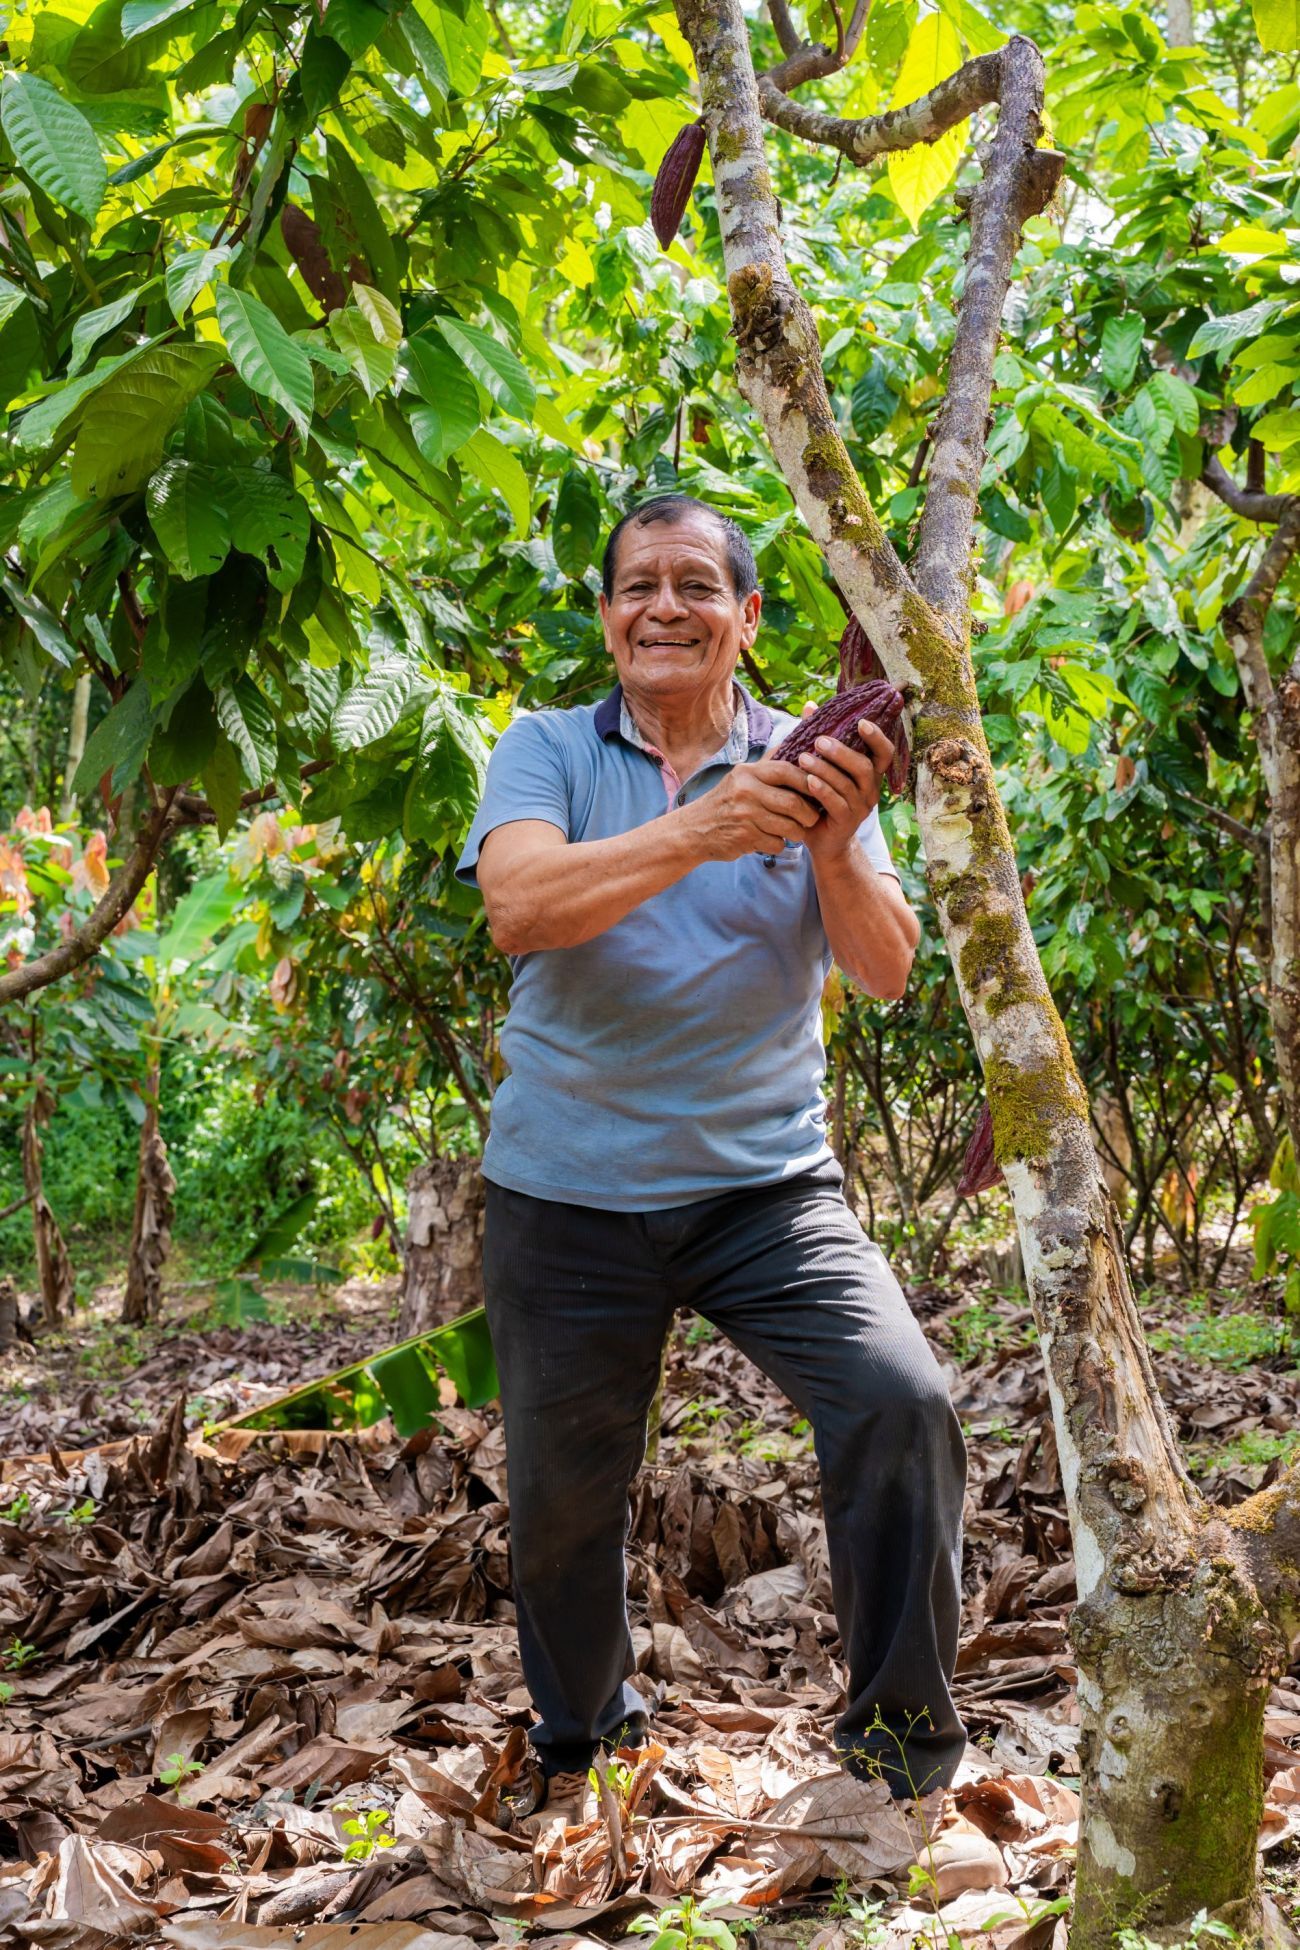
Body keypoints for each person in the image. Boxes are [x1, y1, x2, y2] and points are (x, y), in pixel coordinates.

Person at [455, 493, 966, 1824]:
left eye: (696, 584)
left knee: (900, 1400)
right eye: (638, 585)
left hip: (765, 1190)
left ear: (747, 620)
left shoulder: (812, 763)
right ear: (609, 617)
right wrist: (709, 827)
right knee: (563, 1498)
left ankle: (900, 1754)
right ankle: (584, 1737)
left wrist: (835, 842)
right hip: (564, 1193)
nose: (663, 605)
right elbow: (520, 904)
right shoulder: (548, 748)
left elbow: (890, 969)